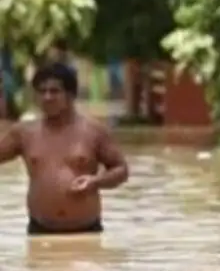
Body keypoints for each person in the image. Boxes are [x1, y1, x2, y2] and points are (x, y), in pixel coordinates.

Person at [0, 62, 129, 235]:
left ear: (70, 95)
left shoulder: (93, 131)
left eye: (54, 91)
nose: (47, 97)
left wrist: (96, 182)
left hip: (86, 234)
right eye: (42, 91)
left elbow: (121, 170)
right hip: (40, 233)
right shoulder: (24, 133)